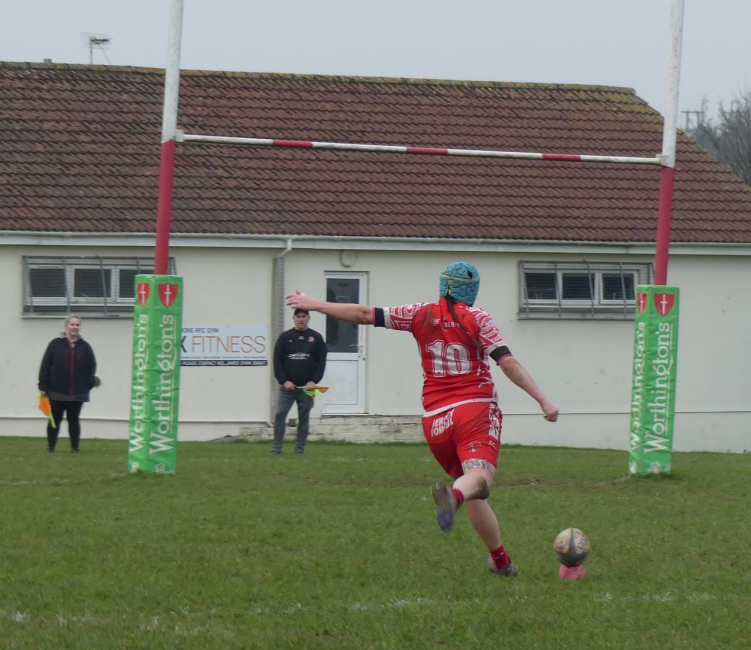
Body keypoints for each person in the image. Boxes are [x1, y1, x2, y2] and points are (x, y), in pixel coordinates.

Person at [286, 262, 559, 577]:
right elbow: (507, 363)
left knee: (472, 487)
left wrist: (314, 304)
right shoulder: (478, 318)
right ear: (471, 290)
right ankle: (452, 497)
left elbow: (363, 314)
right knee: (479, 483)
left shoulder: (419, 313)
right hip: (473, 410)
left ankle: (500, 561)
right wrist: (543, 400)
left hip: (435, 421)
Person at [38, 314, 98, 453]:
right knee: (55, 420)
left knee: (74, 420)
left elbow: (92, 366)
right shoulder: (55, 344)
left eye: (77, 325)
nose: (75, 327)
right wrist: (43, 385)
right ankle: (51, 447)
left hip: (78, 393)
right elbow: (45, 365)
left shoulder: (85, 346)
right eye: (72, 324)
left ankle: (75, 448)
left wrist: (88, 384)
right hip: (57, 391)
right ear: (66, 326)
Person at [271, 308, 328, 454]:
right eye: (298, 316)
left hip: (306, 388)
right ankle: (276, 448)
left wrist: (314, 381)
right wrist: (284, 381)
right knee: (280, 415)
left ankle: (299, 449)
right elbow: (277, 361)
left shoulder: (316, 337)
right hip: (288, 388)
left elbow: (321, 362)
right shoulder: (285, 337)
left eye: (304, 316)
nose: (301, 319)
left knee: (304, 418)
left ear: (308, 318)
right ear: (293, 318)